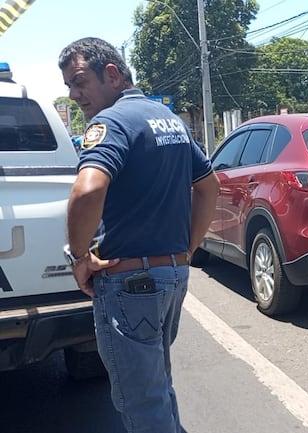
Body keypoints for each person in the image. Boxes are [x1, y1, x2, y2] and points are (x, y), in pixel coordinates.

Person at [58, 37, 219, 432]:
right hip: (172, 278)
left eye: (80, 82)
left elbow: (88, 189)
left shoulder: (110, 123)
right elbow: (209, 186)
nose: (75, 94)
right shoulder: (169, 120)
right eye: (69, 86)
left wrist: (79, 258)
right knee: (157, 389)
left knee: (143, 404)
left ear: (111, 74)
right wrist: (187, 249)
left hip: (131, 284)